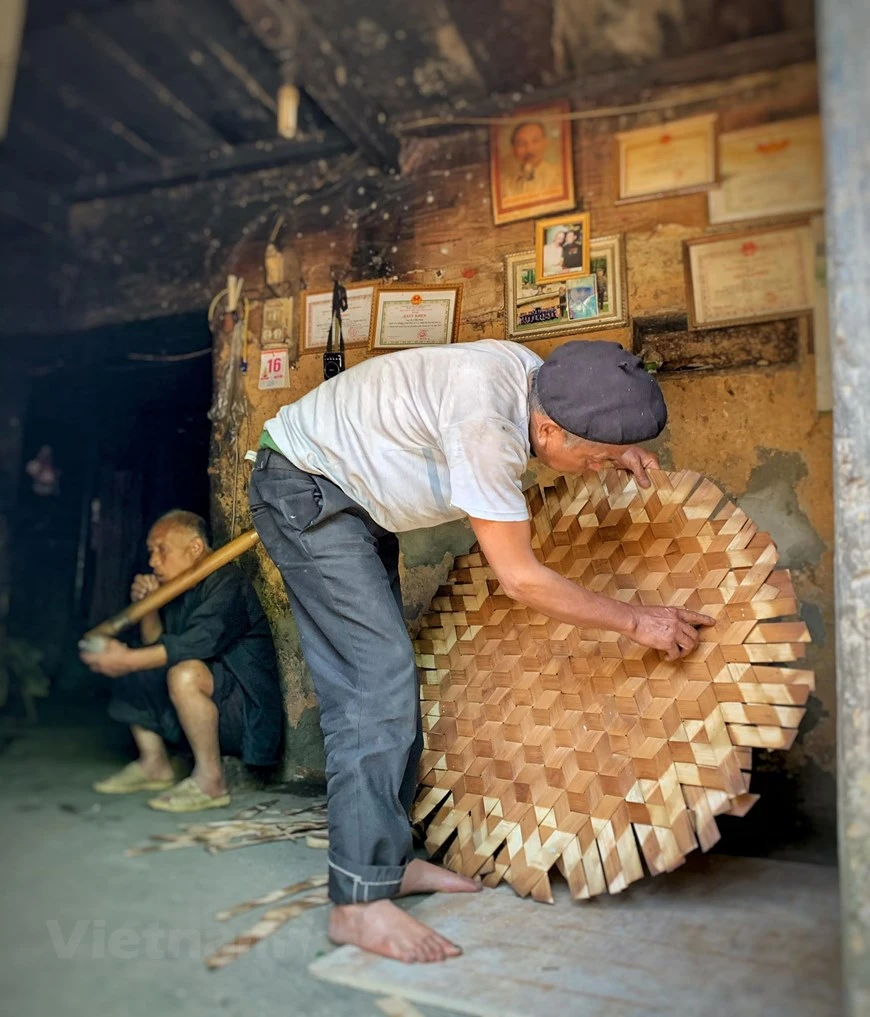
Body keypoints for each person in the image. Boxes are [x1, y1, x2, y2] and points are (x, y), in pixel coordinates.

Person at [250, 339, 714, 964]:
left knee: (385, 679)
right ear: (548, 430)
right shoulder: (488, 429)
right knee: (373, 686)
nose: (594, 468)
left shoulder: (540, 381)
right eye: (592, 457)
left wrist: (615, 441)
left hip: (351, 495)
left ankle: (384, 867)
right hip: (305, 486)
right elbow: (520, 580)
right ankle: (357, 905)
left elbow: (577, 424)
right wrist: (635, 620)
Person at [80, 510, 283, 812]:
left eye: (162, 550)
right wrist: (148, 608)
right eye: (151, 552)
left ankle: (210, 782)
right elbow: (156, 648)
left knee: (179, 672)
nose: (153, 561)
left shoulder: (228, 581)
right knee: (135, 656)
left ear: (195, 548)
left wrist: (128, 660)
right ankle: (154, 763)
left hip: (244, 717)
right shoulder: (177, 587)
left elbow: (195, 644)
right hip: (197, 711)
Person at [505, 121, 563, 199]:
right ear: (513, 150)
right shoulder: (507, 186)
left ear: (545, 143)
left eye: (535, 141)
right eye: (521, 144)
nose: (529, 150)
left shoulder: (559, 175)